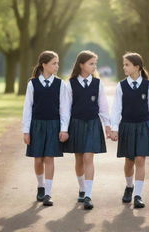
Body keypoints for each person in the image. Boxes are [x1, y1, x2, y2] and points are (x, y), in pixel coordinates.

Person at [63, 50, 111, 210]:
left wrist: (108, 126)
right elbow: (65, 109)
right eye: (91, 63)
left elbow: (103, 106)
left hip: (92, 123)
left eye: (95, 64)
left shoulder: (98, 83)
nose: (94, 66)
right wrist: (64, 129)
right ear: (81, 64)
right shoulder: (69, 84)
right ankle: (82, 189)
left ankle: (88, 195)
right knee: (79, 159)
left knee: (88, 158)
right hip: (75, 124)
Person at [111, 52, 149, 208]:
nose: (124, 67)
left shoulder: (148, 85)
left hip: (144, 126)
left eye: (127, 64)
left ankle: (138, 195)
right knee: (129, 161)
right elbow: (116, 109)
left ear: (137, 67)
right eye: (123, 64)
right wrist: (114, 128)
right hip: (127, 126)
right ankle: (129, 186)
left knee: (140, 159)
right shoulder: (121, 86)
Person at [22, 50, 69, 207]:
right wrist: (26, 131)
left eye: (57, 63)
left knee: (49, 158)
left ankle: (48, 193)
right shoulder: (32, 84)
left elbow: (64, 109)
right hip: (37, 125)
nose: (57, 66)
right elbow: (27, 108)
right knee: (38, 159)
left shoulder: (61, 84)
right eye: (54, 63)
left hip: (54, 125)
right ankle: (40, 186)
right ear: (44, 64)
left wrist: (64, 129)